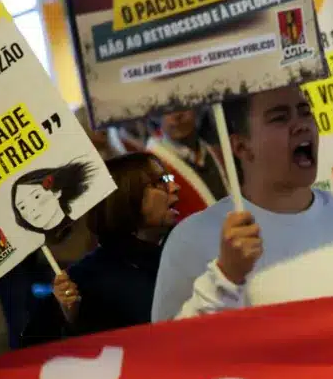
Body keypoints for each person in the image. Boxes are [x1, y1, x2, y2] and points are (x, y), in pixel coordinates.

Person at [151, 86, 333, 322]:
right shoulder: (193, 238)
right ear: (241, 146)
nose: (302, 126)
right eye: (280, 118)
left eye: (305, 112)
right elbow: (170, 361)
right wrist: (225, 277)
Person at [51, 153, 179, 335]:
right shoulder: (84, 279)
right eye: (159, 182)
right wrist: (72, 316)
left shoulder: (185, 248)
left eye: (169, 178)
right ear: (125, 195)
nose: (175, 187)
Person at [147, 108, 228, 219]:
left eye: (182, 105)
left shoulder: (217, 153)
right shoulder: (150, 167)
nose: (177, 115)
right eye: (166, 109)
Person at [11, 161, 98, 236]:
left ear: (56, 192)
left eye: (37, 196)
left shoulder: (91, 225)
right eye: (22, 207)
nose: (31, 209)